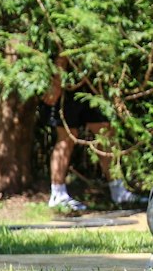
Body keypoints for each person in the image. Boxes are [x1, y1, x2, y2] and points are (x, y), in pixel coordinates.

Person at [41, 71, 142, 212]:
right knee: (67, 137)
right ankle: (58, 194)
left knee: (105, 133)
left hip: (91, 81)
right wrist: (57, 82)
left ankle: (118, 191)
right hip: (67, 83)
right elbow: (62, 54)